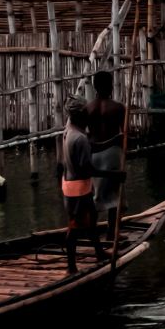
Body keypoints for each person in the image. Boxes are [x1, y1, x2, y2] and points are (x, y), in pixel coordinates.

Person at [57, 102, 120, 273]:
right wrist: (114, 175)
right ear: (82, 118)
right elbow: (88, 169)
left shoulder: (70, 131)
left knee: (91, 221)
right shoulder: (80, 138)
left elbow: (91, 148)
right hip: (78, 189)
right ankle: (71, 267)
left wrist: (113, 141)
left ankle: (99, 252)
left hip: (73, 185)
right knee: (75, 228)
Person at [85, 72, 127, 255]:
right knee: (113, 193)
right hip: (112, 152)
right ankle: (111, 233)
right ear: (110, 86)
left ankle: (92, 232)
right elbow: (125, 133)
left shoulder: (88, 108)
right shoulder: (118, 107)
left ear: (95, 87)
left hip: (93, 152)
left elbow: (85, 132)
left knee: (95, 194)